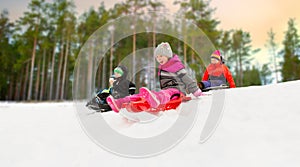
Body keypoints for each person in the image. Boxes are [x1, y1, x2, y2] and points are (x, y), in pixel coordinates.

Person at [106, 42, 203, 113]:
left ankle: (155, 99)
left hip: (177, 92)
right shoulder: (163, 68)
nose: (159, 59)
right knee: (147, 94)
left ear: (168, 55)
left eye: (161, 56)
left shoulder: (176, 66)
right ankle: (120, 102)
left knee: (164, 93)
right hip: (166, 93)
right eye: (157, 57)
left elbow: (187, 79)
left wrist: (196, 91)